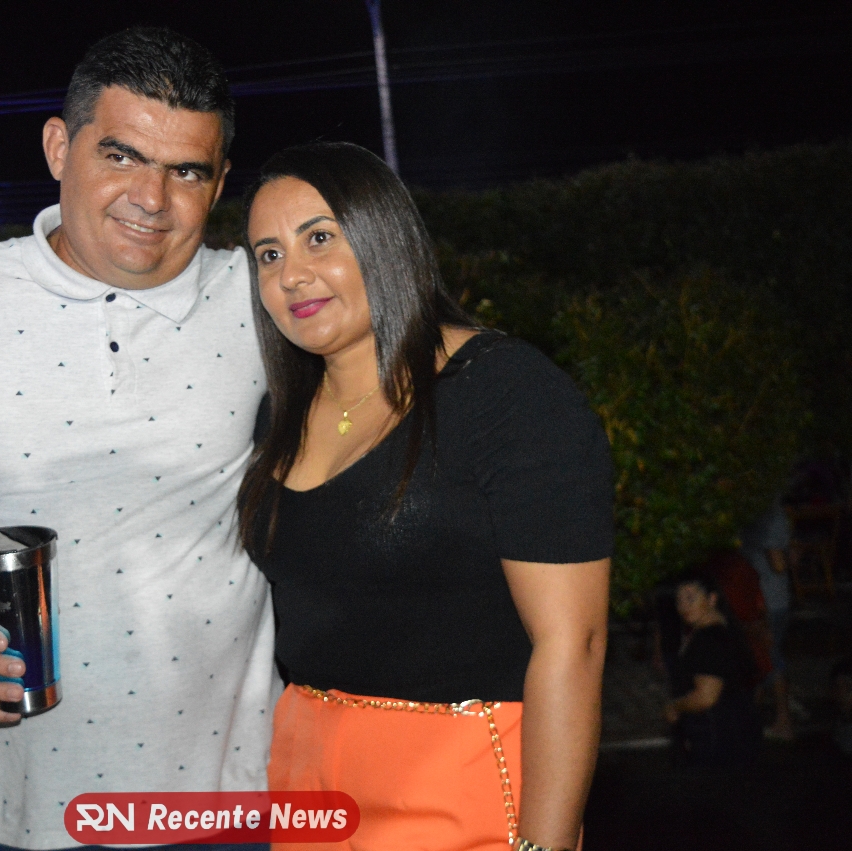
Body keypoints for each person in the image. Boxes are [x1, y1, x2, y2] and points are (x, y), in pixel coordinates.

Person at [0, 28, 276, 851]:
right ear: (59, 147)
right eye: (121, 156)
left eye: (186, 171)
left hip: (229, 799)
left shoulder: (259, 297)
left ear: (218, 184)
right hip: (26, 808)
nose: (152, 198)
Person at [239, 142, 613, 851]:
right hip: (305, 778)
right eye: (269, 254)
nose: (292, 274)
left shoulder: (505, 393)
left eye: (319, 238)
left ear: (384, 236)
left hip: (458, 780)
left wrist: (545, 843)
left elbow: (574, 644)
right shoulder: (278, 414)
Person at [662, 573, 762, 767]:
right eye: (679, 600)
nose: (684, 606)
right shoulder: (727, 630)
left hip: (715, 738)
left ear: (712, 599)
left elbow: (706, 697)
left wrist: (674, 706)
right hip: (738, 732)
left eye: (691, 598)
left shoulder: (709, 640)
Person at [739, 498, 795, 740]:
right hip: (769, 597)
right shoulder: (768, 511)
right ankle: (749, 718)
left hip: (768, 599)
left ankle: (783, 720)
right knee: (761, 656)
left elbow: (778, 563)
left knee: (770, 658)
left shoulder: (768, 514)